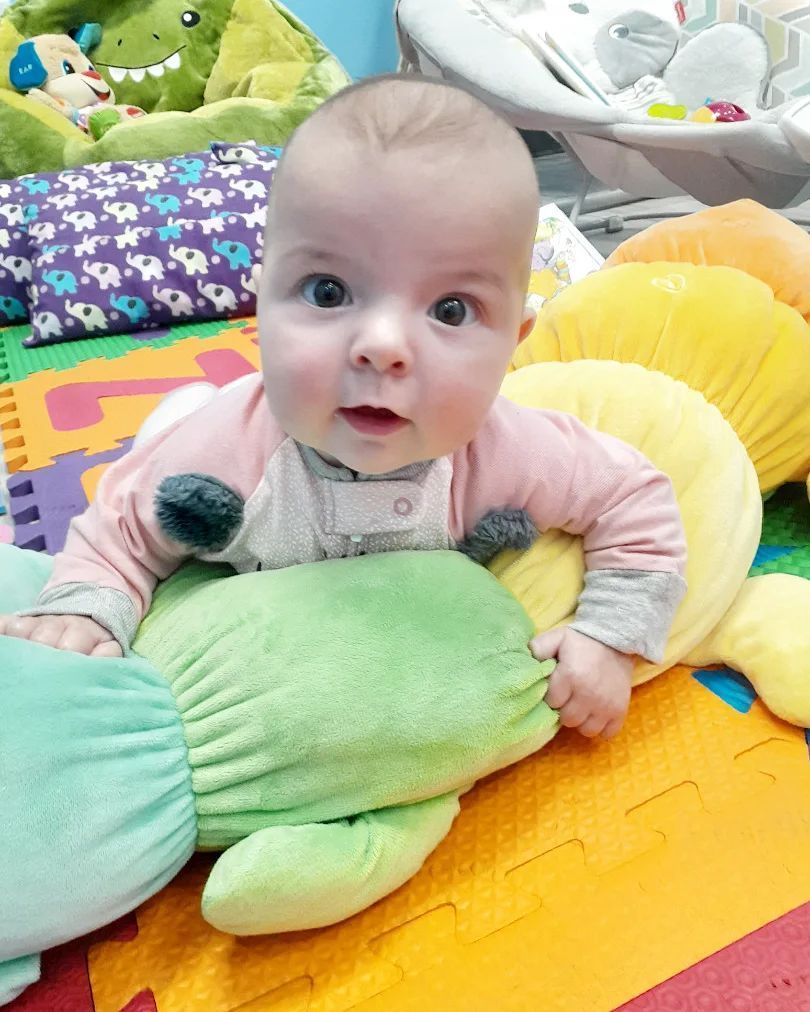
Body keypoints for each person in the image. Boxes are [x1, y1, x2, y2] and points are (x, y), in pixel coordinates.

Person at [0, 75, 687, 740]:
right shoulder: (217, 458)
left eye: (451, 310)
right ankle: (180, 406)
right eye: (327, 292)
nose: (382, 347)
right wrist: (85, 612)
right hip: (207, 439)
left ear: (514, 343)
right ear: (260, 306)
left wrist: (608, 637)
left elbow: (635, 497)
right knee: (172, 432)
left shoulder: (514, 451)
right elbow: (118, 530)